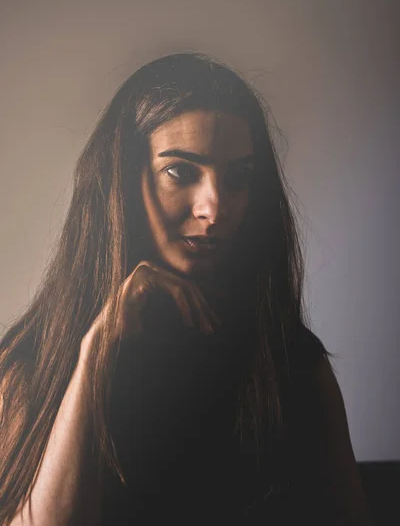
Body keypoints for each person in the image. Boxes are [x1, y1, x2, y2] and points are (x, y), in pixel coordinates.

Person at [0, 52, 373, 525]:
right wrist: (93, 354)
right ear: (122, 183)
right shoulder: (31, 367)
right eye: (181, 171)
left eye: (238, 178)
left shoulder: (290, 364)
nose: (214, 209)